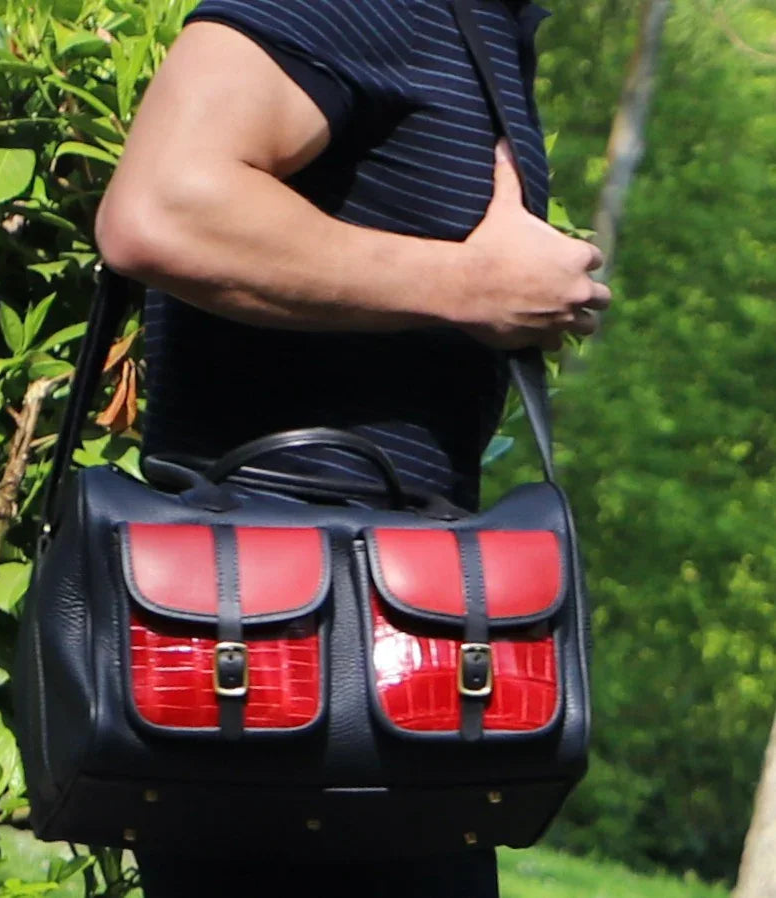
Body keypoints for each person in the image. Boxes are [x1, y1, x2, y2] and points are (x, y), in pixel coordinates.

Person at [95, 0, 611, 894]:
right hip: (264, 659)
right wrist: (468, 285)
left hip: (397, 661)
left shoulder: (488, 26)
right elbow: (160, 208)